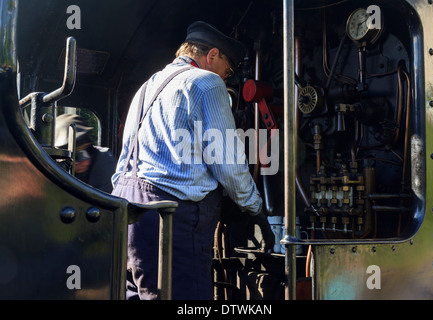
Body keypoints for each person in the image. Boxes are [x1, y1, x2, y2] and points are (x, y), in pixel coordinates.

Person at [111, 21, 274, 300]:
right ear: (212, 56)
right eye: (228, 70)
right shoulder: (207, 83)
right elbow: (229, 164)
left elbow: (125, 159)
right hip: (172, 223)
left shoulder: (148, 86)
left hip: (126, 215)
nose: (226, 78)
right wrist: (255, 209)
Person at [55, 113, 117, 193]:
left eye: (81, 155)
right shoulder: (56, 168)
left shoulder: (105, 162)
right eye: (69, 159)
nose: (76, 163)